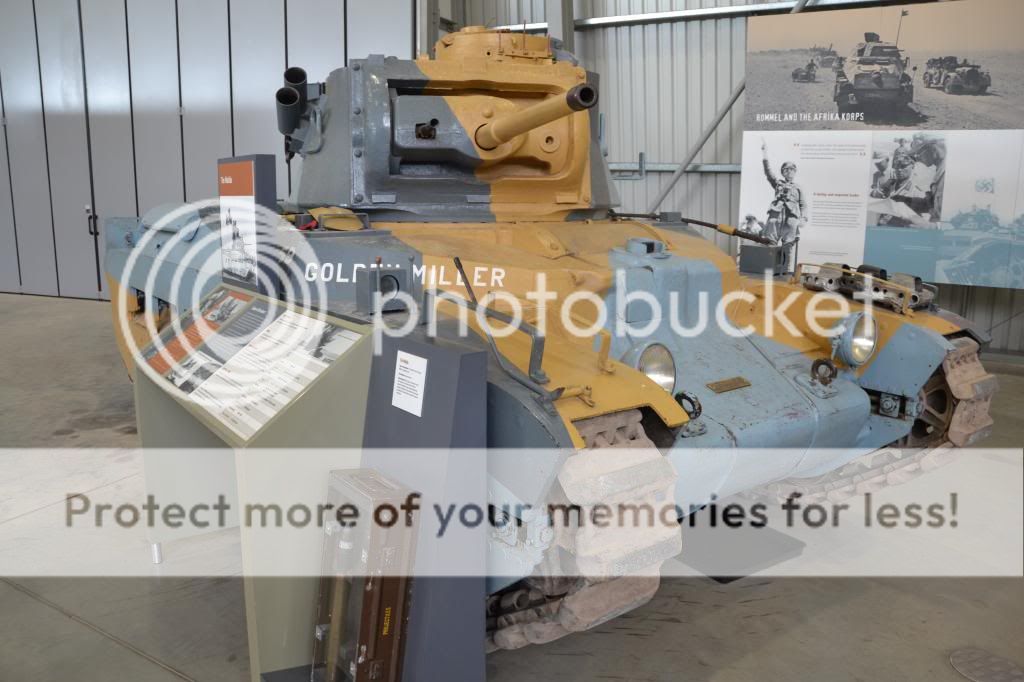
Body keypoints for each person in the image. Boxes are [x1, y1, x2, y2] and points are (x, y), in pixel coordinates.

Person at [761, 141, 806, 245]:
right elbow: (768, 172)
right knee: (770, 244)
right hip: (775, 216)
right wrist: (765, 154)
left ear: (795, 172)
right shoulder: (777, 183)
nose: (789, 171)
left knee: (788, 248)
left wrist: (803, 218)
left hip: (791, 218)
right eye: (786, 169)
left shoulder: (798, 188)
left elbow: (803, 205)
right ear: (782, 172)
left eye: (792, 169)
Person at [908, 134, 946, 222]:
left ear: (933, 150)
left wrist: (932, 227)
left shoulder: (947, 173)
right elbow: (935, 206)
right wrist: (906, 201)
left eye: (918, 153)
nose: (916, 158)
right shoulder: (939, 170)